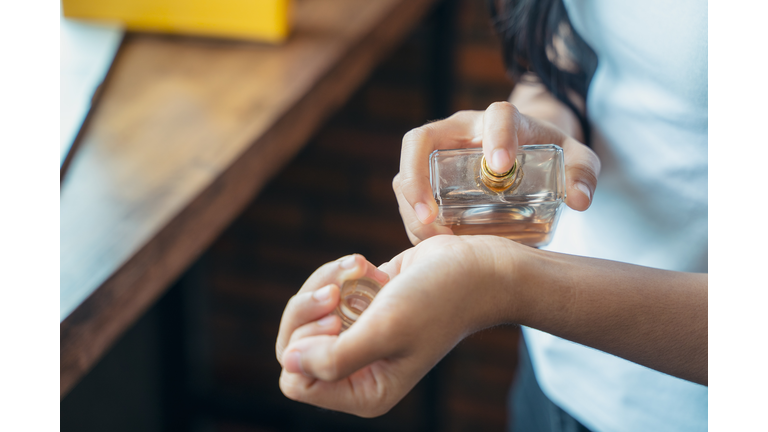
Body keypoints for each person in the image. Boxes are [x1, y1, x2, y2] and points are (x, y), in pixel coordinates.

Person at [274, 0, 707, 431]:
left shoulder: (517, 283)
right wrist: (527, 143)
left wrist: (507, 281)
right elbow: (572, 53)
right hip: (554, 375)